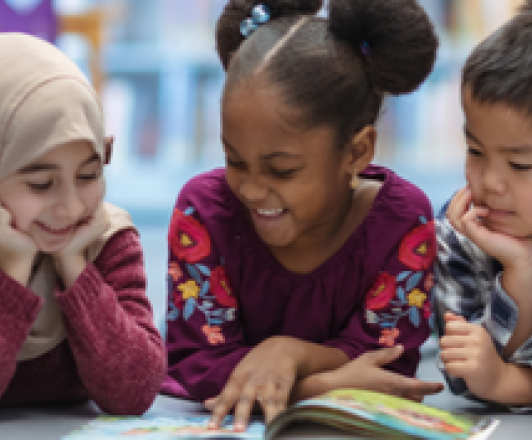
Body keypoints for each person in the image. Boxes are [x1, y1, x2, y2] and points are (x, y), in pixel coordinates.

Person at [163, 0, 443, 430]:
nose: (252, 189)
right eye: (235, 160)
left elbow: (386, 367)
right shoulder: (203, 211)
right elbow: (199, 364)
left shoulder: (405, 223)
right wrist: (323, 387)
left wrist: (287, 352)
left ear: (356, 152)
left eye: (282, 170)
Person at [0, 33, 166, 415]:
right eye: (41, 184)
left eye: (89, 175)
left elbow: (134, 392)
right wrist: (14, 268)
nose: (70, 208)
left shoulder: (106, 238)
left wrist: (75, 266)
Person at [433, 1, 532, 410]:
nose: (489, 182)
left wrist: (509, 382)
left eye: (521, 164)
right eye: (475, 150)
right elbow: (465, 371)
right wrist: (520, 277)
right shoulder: (458, 232)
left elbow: (494, 376)